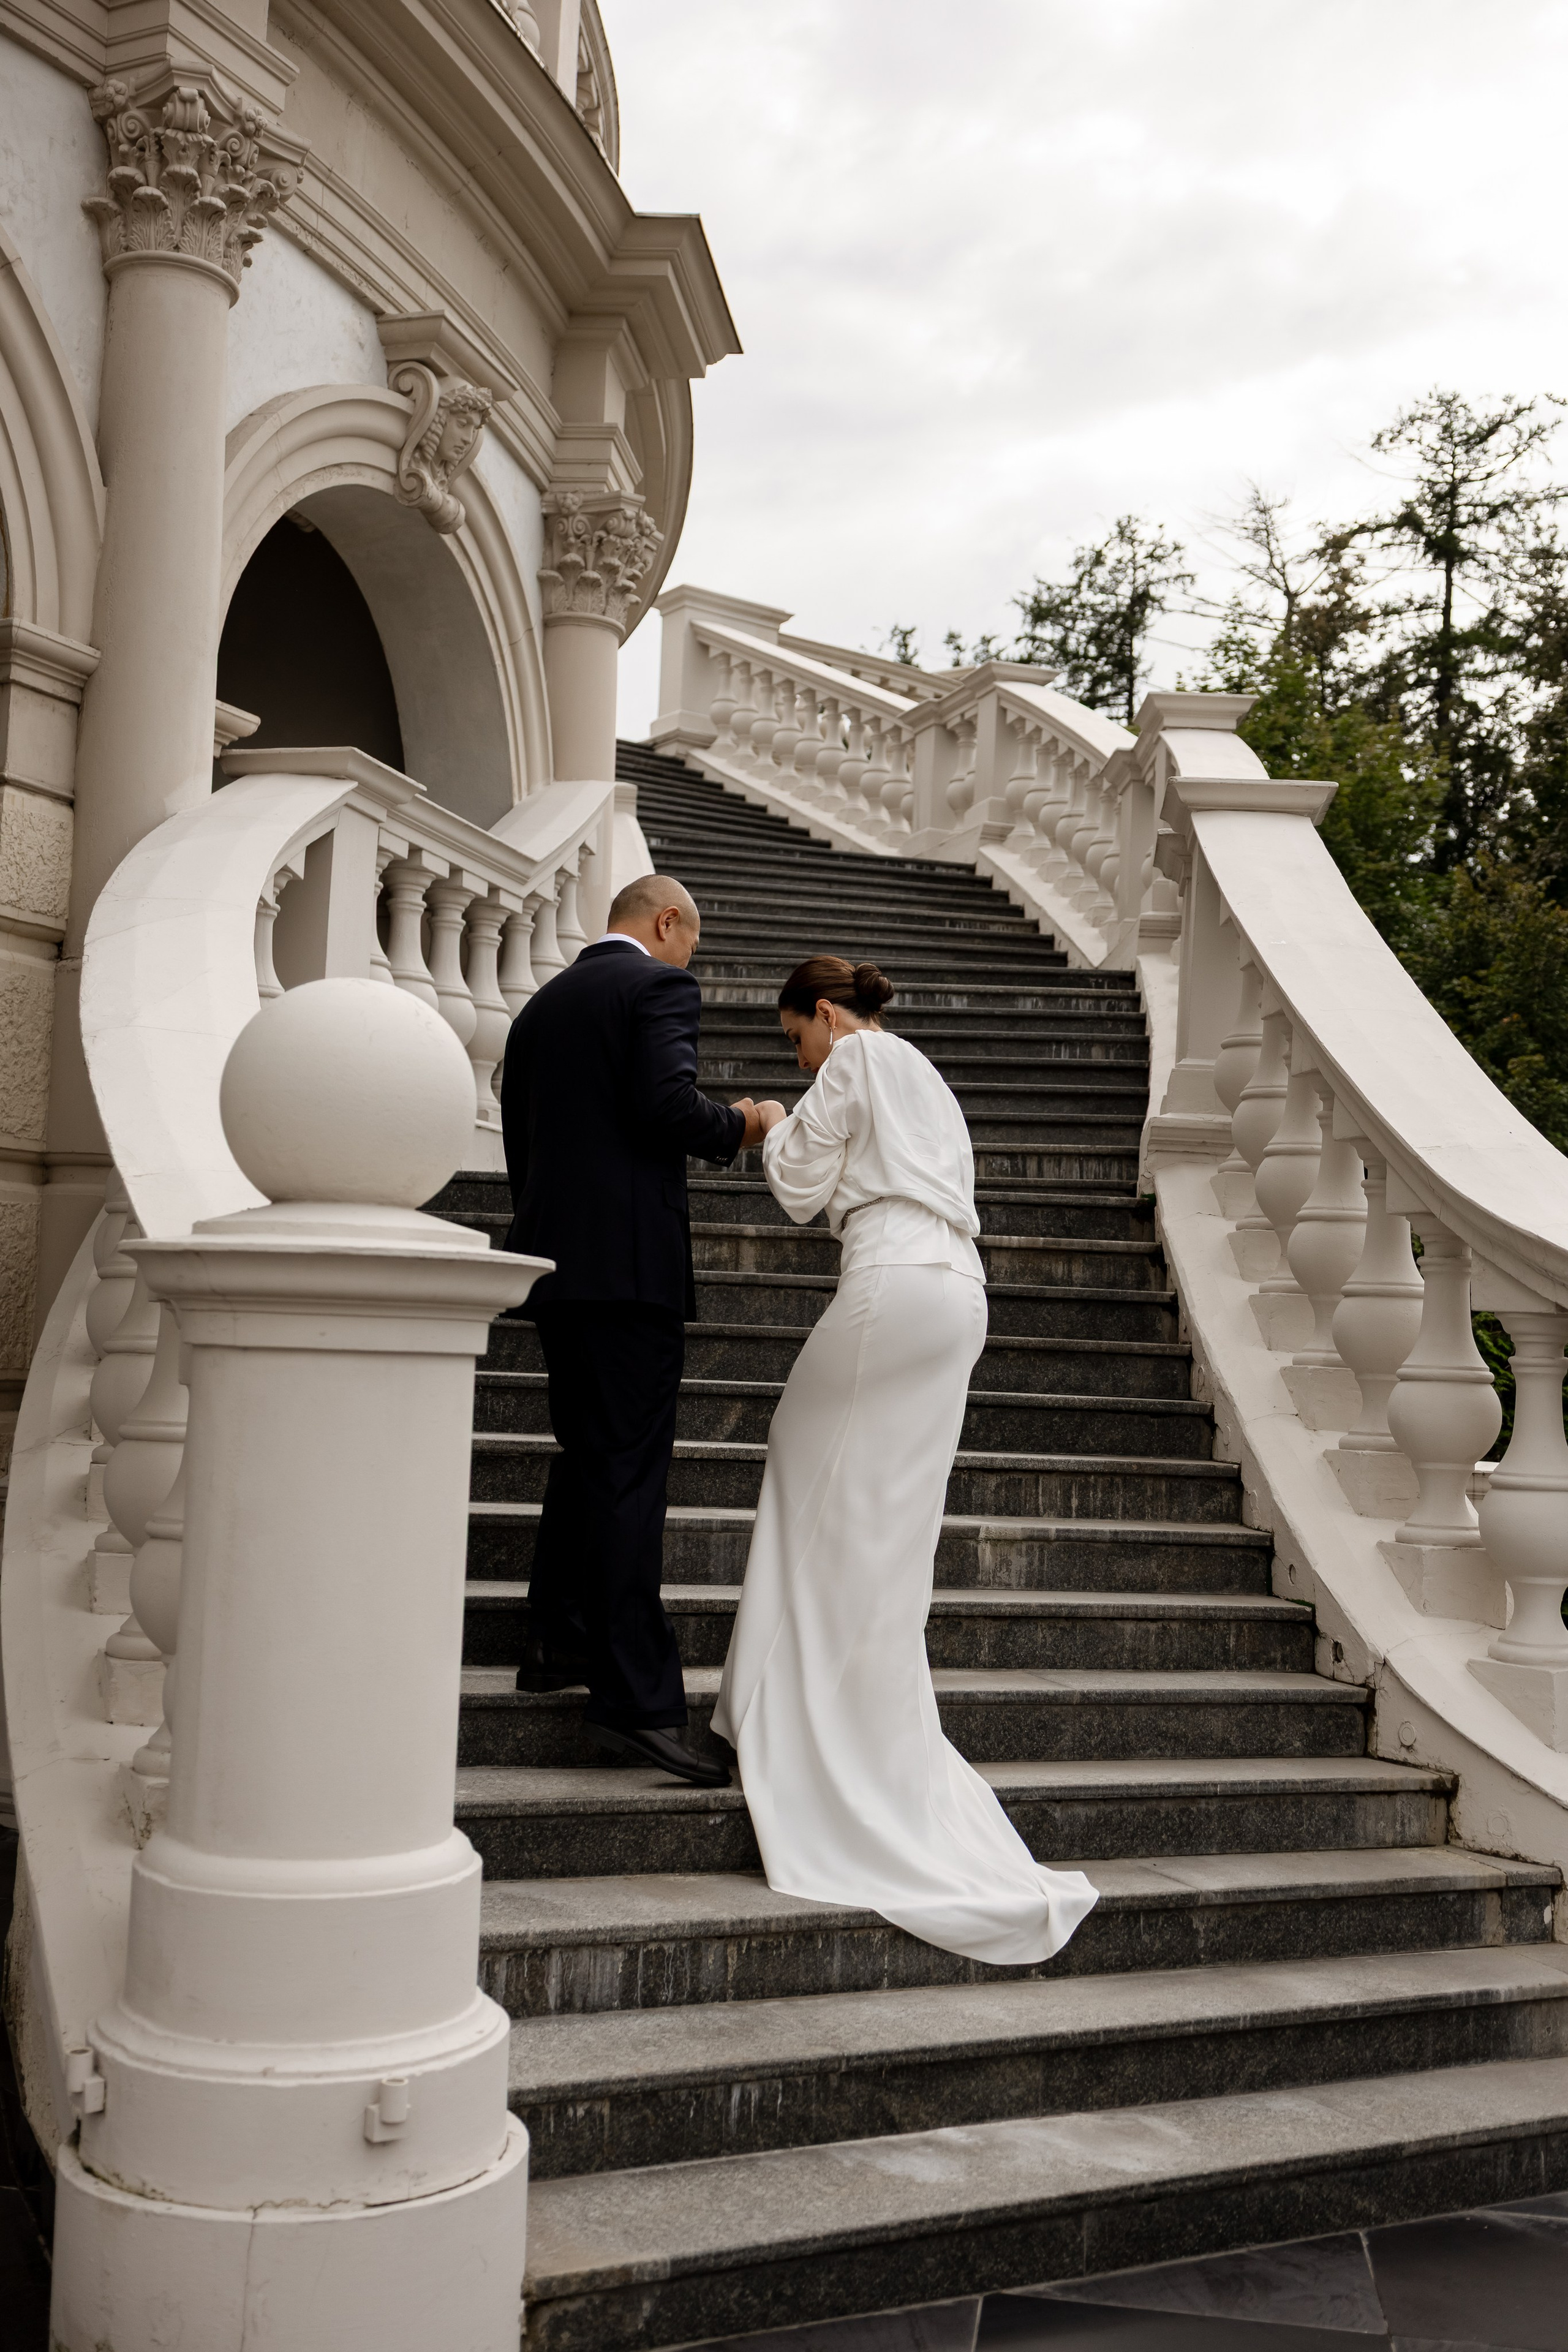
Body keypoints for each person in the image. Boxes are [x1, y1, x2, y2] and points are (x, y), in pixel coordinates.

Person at [712, 955, 1098, 1964]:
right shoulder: (929, 1075)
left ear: (828, 1016)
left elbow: (799, 1189)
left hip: (892, 1282)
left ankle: (786, 1719)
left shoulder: (852, 1061)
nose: (799, 1057)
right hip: (959, 1294)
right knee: (883, 1524)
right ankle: (827, 1710)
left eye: (797, 1038)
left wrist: (766, 1122)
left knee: (806, 1472)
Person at [500, 873, 767, 1789]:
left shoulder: (540, 1008)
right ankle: (639, 1702)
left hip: (558, 1269)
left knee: (586, 1457)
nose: (692, 957)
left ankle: (556, 1645)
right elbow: (667, 1107)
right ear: (664, 923)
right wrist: (745, 1124)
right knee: (626, 1477)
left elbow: (523, 1148)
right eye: (692, 938)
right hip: (629, 1275)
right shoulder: (658, 985)